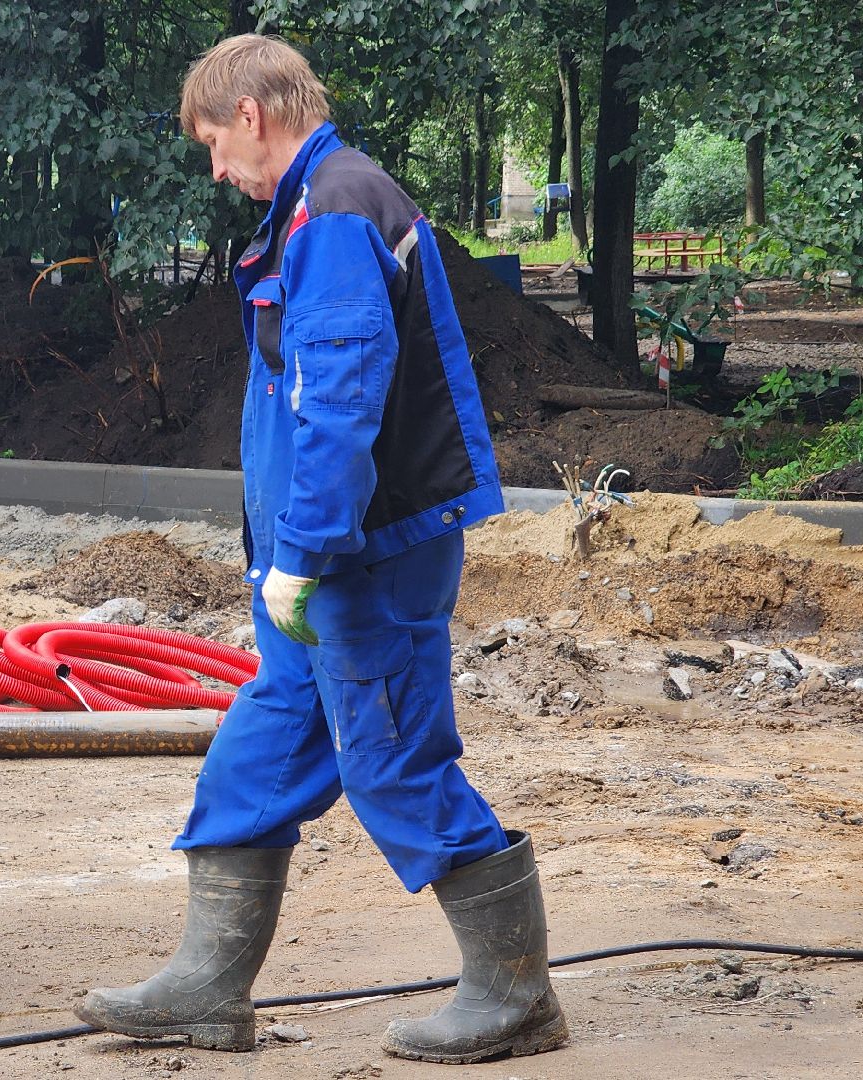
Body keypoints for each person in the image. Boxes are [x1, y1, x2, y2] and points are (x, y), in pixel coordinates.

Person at [76, 36, 567, 1066]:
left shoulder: (337, 209)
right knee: (255, 759)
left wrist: (302, 549)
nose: (215, 169)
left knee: (394, 765)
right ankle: (208, 987)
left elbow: (340, 401)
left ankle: (515, 993)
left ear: (251, 114)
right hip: (319, 563)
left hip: (360, 559)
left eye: (213, 143)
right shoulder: (314, 207)